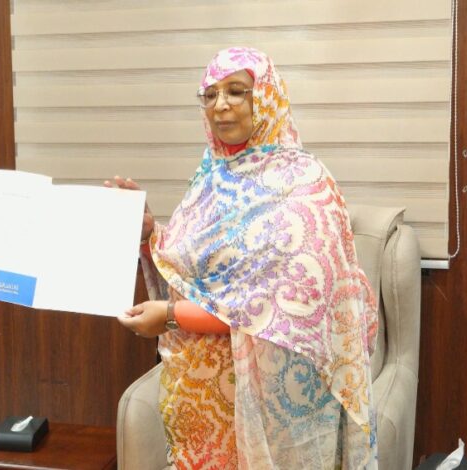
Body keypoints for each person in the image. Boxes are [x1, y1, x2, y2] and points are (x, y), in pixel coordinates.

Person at [109, 47, 378, 468]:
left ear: (267, 97)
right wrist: (149, 237)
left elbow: (280, 309)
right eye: (210, 94)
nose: (221, 105)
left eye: (236, 91)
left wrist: (172, 316)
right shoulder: (210, 177)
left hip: (272, 411)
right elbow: (197, 272)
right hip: (199, 408)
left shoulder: (304, 185)